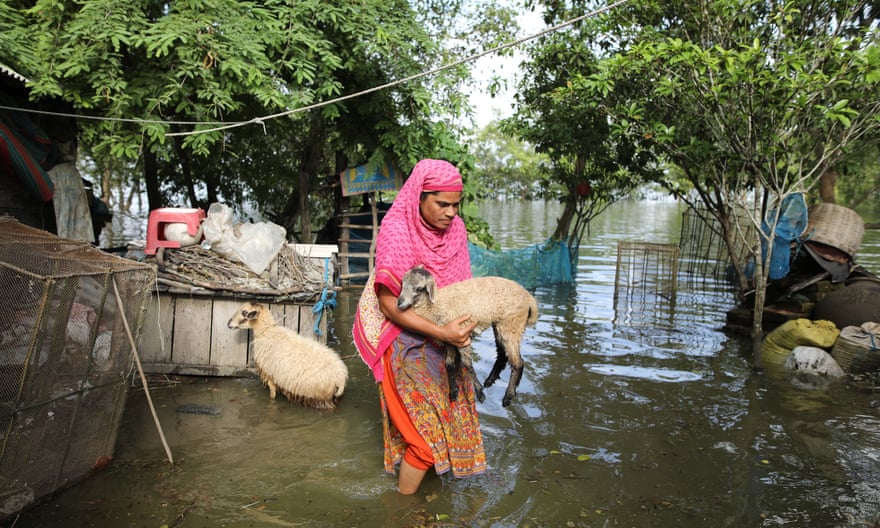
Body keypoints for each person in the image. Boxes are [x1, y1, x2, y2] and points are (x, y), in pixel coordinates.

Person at [353, 159, 486, 495]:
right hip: (402, 339)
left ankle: (427, 498)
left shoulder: (456, 230)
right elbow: (387, 303)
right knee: (423, 443)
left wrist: (460, 332)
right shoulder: (398, 230)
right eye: (442, 204)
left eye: (456, 204)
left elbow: (458, 294)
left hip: (443, 341)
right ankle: (403, 513)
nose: (451, 212)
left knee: (446, 426)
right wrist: (441, 332)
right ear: (419, 197)